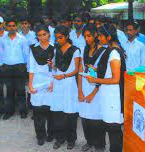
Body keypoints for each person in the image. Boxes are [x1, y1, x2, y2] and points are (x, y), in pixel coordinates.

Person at [85, 23, 126, 152]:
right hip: (108, 95)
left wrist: (95, 79)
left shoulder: (114, 53)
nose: (99, 38)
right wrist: (96, 69)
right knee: (110, 126)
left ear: (108, 37)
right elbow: (108, 71)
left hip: (113, 97)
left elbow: (115, 79)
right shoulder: (109, 50)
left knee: (114, 130)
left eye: (101, 35)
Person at [50, 25, 81, 150]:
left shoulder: (75, 50)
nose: (58, 40)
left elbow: (76, 70)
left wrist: (63, 76)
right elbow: (56, 66)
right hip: (58, 83)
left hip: (69, 84)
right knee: (58, 113)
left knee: (70, 113)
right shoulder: (56, 49)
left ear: (67, 36)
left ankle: (71, 140)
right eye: (57, 38)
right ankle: (60, 138)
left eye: (61, 37)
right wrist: (53, 66)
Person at [78, 24, 106, 152]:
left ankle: (100, 144)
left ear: (96, 35)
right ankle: (89, 141)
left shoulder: (104, 51)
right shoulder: (83, 49)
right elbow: (80, 70)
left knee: (97, 118)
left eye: (89, 36)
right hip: (85, 86)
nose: (87, 39)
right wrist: (80, 90)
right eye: (85, 36)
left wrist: (93, 93)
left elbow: (103, 75)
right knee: (85, 117)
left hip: (97, 88)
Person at [28, 25, 55, 146]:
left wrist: (53, 83)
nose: (42, 37)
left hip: (50, 81)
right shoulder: (33, 48)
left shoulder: (55, 47)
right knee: (38, 110)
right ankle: (40, 135)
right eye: (39, 35)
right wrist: (30, 84)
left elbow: (56, 68)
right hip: (37, 81)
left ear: (49, 34)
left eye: (44, 34)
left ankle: (51, 133)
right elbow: (31, 68)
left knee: (50, 110)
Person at [0, 17, 29, 120]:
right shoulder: (3, 39)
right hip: (7, 67)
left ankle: (23, 111)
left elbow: (26, 54)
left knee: (21, 90)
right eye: (9, 26)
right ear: (6, 27)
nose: (12, 28)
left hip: (19, 67)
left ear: (16, 27)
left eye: (13, 26)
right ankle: (9, 111)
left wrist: (25, 67)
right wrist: (2, 65)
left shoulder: (22, 39)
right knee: (9, 90)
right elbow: (1, 53)